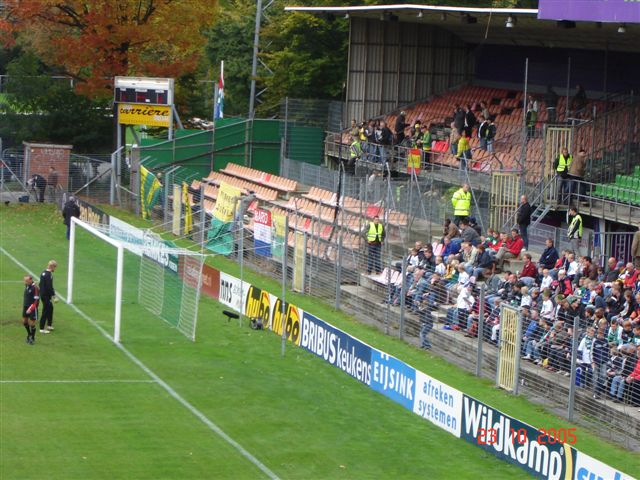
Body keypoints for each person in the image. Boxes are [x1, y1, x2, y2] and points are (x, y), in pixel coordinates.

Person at [39, 260, 57, 333]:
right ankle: (42, 328)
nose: (55, 269)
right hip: (46, 296)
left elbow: (40, 284)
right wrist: (54, 296)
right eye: (55, 267)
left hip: (43, 294)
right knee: (45, 310)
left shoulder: (43, 273)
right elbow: (49, 287)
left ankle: (49, 325)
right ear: (52, 266)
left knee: (50, 308)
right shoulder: (49, 275)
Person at [22, 274, 39, 345]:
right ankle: (29, 334)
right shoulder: (27, 286)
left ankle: (32, 338)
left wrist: (31, 308)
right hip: (25, 306)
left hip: (32, 308)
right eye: (24, 280)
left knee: (32, 323)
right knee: (24, 322)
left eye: (26, 280)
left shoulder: (35, 288)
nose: (25, 282)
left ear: (31, 280)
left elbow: (36, 301)